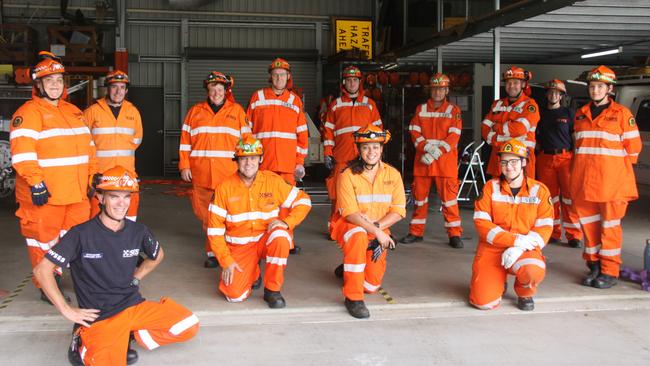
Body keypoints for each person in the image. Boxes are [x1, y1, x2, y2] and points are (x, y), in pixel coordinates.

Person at [33, 166, 199, 366]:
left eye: (126, 197)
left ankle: (130, 335)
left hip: (133, 305)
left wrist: (136, 277)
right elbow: (41, 270)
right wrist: (67, 310)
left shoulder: (138, 231)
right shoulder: (80, 234)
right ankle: (81, 337)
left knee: (189, 325)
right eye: (114, 197)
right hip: (101, 315)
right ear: (101, 198)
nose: (122, 203)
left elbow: (158, 255)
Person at [10, 51, 97, 303]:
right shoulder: (28, 113)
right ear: (39, 85)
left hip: (77, 194)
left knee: (75, 239)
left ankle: (73, 277)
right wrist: (36, 181)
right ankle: (47, 285)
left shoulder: (73, 112)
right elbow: (23, 154)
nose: (56, 85)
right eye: (50, 81)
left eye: (59, 80)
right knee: (43, 242)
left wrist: (92, 177)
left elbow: (89, 149)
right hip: (45, 195)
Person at [206, 136, 311, 308]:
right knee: (234, 295)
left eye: (253, 158)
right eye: (244, 158)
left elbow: (304, 201)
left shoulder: (272, 181)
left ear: (260, 159)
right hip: (240, 248)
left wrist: (287, 223)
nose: (248, 163)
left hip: (265, 241)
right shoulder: (224, 188)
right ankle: (253, 272)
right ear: (237, 160)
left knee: (281, 237)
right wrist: (226, 261)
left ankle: (272, 290)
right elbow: (214, 231)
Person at [570, 65, 643, 289]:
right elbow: (578, 149)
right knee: (589, 227)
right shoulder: (580, 114)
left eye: (600, 86)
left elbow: (633, 150)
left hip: (613, 185)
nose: (595, 90)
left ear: (609, 89)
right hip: (585, 182)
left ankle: (609, 271)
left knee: (610, 228)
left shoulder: (622, 115)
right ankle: (594, 265)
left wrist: (612, 172)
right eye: (592, 86)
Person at [331, 125, 406, 319]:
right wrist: (377, 232)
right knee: (358, 237)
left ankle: (351, 265)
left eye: (375, 147)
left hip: (377, 229)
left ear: (382, 149)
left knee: (371, 286)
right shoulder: (347, 175)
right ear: (359, 150)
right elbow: (350, 213)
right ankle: (353, 298)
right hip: (350, 226)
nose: (371, 152)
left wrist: (378, 229)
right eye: (365, 147)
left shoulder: (393, 175)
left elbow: (398, 210)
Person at [470, 139, 553, 311]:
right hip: (493, 248)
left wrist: (519, 247)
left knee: (533, 270)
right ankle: (498, 282)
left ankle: (524, 292)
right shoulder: (489, 188)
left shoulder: (539, 190)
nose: (509, 167)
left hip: (525, 248)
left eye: (514, 161)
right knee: (482, 303)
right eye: (504, 162)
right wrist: (513, 240)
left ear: (523, 163)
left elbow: (544, 228)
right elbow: (482, 224)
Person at [178, 71, 251, 268]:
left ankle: (229, 252)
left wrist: (247, 169)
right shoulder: (195, 112)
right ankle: (212, 252)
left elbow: (247, 144)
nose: (216, 93)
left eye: (220, 89)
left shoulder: (237, 112)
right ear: (207, 90)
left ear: (226, 91)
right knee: (207, 217)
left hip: (229, 175)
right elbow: (185, 142)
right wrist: (184, 165)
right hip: (201, 174)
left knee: (231, 215)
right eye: (213, 89)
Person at [247, 57, 309, 254]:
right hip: (262, 164)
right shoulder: (257, 97)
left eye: (282, 75)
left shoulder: (295, 100)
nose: (279, 78)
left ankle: (286, 241)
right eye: (275, 75)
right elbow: (247, 132)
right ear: (270, 77)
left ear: (288, 77)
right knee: (261, 203)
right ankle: (261, 241)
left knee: (287, 205)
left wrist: (299, 162)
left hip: (287, 164)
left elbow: (302, 136)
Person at [399, 73, 464, 248]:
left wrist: (435, 152)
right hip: (423, 162)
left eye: (441, 89)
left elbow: (454, 136)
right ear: (431, 89)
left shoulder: (454, 111)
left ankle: (454, 235)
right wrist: (426, 148)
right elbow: (414, 131)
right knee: (420, 199)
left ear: (447, 90)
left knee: (449, 200)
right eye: (435, 89)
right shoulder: (421, 109)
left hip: (445, 163)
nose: (437, 92)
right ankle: (415, 232)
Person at [323, 66, 382, 239]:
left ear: (360, 82)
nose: (352, 83)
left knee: (364, 193)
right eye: (348, 80)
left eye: (355, 80)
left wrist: (376, 154)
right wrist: (328, 152)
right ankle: (334, 229)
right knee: (337, 194)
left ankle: (363, 226)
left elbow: (378, 131)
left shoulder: (370, 105)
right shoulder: (335, 105)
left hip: (366, 157)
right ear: (343, 83)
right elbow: (328, 131)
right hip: (342, 156)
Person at [85, 70, 143, 221]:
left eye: (122, 87)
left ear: (126, 90)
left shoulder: (133, 112)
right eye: (114, 87)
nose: (118, 91)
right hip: (100, 174)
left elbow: (137, 140)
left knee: (129, 217)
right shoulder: (92, 112)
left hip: (126, 174)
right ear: (107, 88)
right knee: (96, 219)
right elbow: (83, 143)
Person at [535, 79, 582, 248]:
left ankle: (573, 235)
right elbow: (536, 137)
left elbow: (575, 138)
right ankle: (553, 233)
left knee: (569, 198)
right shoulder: (540, 114)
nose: (553, 95)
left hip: (565, 159)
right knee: (550, 199)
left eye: (557, 93)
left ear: (562, 95)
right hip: (545, 159)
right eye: (550, 92)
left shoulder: (569, 113)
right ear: (547, 94)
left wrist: (576, 159)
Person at [481, 66, 540, 178]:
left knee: (522, 194)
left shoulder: (530, 105)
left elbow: (519, 129)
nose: (511, 86)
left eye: (515, 82)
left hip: (521, 160)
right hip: (498, 159)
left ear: (523, 84)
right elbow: (484, 127)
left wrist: (497, 128)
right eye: (508, 83)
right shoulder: (497, 104)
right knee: (497, 193)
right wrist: (498, 140)